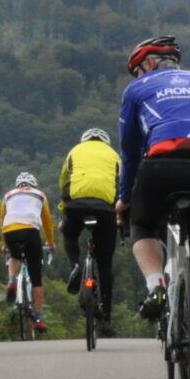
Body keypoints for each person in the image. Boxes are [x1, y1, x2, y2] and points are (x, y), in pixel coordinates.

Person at [116, 34, 190, 379]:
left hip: (160, 166)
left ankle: (156, 286)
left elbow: (130, 150)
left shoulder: (137, 90)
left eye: (138, 70)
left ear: (148, 64)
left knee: (142, 224)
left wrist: (125, 199)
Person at [59, 127, 121, 337]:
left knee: (69, 235)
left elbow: (63, 182)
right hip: (105, 208)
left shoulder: (74, 151)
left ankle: (76, 266)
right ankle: (107, 319)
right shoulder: (114, 155)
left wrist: (63, 212)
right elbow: (123, 185)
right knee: (105, 264)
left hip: (75, 205)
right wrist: (122, 216)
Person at [0, 171, 56, 334]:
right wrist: (51, 243)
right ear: (34, 185)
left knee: (14, 255)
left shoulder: (8, 195)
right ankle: (38, 318)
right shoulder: (40, 195)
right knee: (36, 278)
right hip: (31, 231)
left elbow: (2, 219)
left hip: (10, 230)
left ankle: (12, 280)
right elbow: (47, 223)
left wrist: (4, 244)